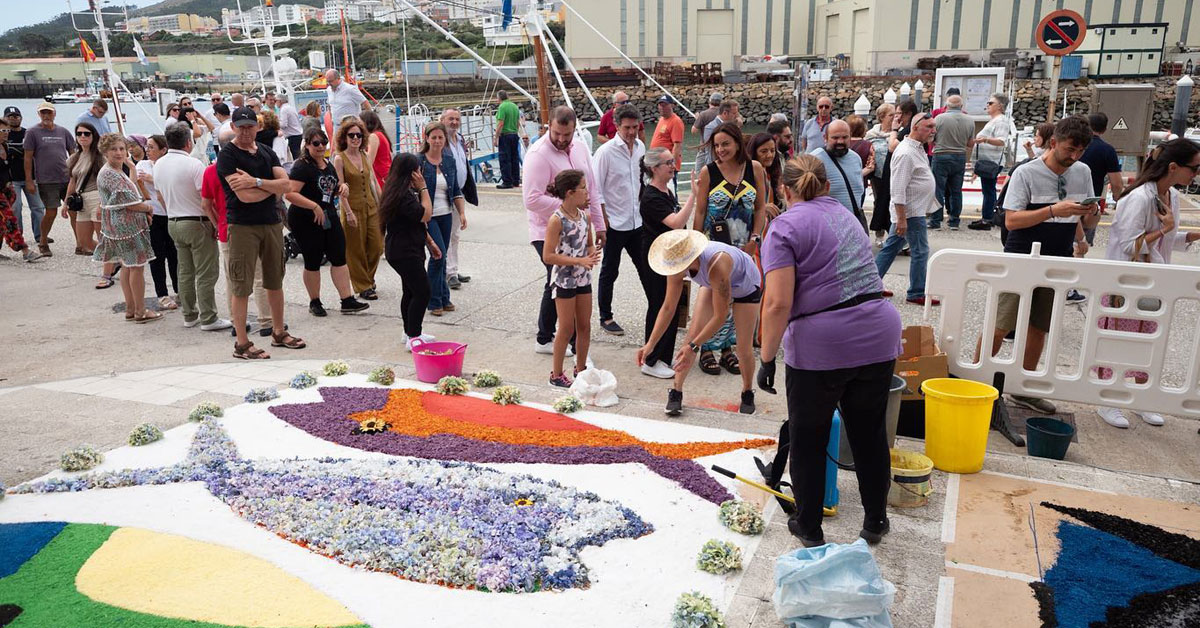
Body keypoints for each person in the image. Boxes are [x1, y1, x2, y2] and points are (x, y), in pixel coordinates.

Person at [757, 153, 902, 548]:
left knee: (809, 437)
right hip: (879, 331)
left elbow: (776, 303)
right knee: (869, 433)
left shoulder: (784, 227)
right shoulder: (845, 214)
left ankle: (809, 527)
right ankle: (875, 520)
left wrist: (767, 357)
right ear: (825, 186)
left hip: (822, 343)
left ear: (783, 190)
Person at [985, 115, 1096, 414]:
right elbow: (1011, 220)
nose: (1074, 157)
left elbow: (1081, 215)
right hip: (1022, 256)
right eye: (1070, 149)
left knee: (1039, 326)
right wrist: (1052, 210)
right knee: (1000, 323)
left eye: (1080, 151)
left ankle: (1023, 388)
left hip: (1057, 257)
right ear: (1053, 142)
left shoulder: (1082, 171)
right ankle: (976, 382)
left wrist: (1087, 221)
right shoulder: (1025, 172)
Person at [1095, 139, 1200, 428]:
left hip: (1155, 281)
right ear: (1174, 167)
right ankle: (1109, 400)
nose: (1196, 174)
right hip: (1126, 282)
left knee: (1149, 340)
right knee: (1120, 340)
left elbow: (1166, 242)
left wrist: (1190, 236)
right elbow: (1130, 246)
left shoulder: (1172, 197)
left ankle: (1139, 398)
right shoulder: (1139, 197)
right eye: (1194, 168)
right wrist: (1166, 229)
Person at [640, 230, 760, 415]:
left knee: (743, 348)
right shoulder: (677, 263)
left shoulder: (717, 264)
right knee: (691, 335)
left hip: (744, 285)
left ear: (687, 260)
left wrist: (694, 347)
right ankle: (676, 391)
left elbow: (720, 317)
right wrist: (650, 344)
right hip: (713, 283)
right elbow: (668, 307)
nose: (673, 272)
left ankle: (747, 390)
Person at [216, 106, 305, 359]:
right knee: (242, 285)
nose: (246, 131)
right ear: (233, 127)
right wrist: (270, 187)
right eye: (241, 126)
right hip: (243, 225)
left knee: (275, 279)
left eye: (250, 126)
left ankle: (278, 331)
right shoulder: (228, 156)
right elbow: (244, 197)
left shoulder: (266, 151)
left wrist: (256, 182)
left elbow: (285, 185)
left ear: (257, 127)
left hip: (271, 222)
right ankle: (242, 344)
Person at [523, 106, 608, 355]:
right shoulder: (538, 155)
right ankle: (558, 339)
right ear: (549, 125)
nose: (561, 140)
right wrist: (568, 209)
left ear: (575, 129)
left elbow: (591, 189)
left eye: (566, 135)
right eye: (557, 133)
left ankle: (546, 337)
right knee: (560, 278)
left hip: (580, 227)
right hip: (547, 229)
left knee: (560, 281)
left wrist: (599, 224)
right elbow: (531, 199)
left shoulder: (581, 147)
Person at [691, 122, 767, 376]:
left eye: (725, 144)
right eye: (716, 146)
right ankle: (705, 349)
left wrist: (755, 239)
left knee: (740, 298)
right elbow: (700, 211)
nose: (720, 150)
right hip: (715, 248)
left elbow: (760, 207)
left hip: (745, 246)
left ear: (737, 143)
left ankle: (726, 349)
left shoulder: (754, 169)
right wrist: (695, 245)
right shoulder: (708, 172)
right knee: (715, 298)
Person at [285, 127, 369, 317]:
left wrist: (342, 188)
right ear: (307, 145)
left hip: (328, 214)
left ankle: (347, 300)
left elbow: (332, 186)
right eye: (316, 143)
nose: (321, 146)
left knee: (339, 256)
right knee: (312, 259)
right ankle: (315, 301)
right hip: (306, 218)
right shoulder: (301, 166)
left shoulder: (327, 164)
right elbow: (290, 193)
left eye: (324, 142)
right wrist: (313, 206)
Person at [155, 123, 230, 331]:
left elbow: (160, 195)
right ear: (188, 142)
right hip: (196, 220)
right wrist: (215, 222)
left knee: (185, 271)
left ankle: (189, 314)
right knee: (206, 272)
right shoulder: (194, 164)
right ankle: (208, 316)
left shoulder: (158, 164)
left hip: (174, 220)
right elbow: (206, 198)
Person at [592, 104, 650, 337]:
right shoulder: (605, 153)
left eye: (635, 127)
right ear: (617, 127)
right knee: (610, 271)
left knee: (647, 267)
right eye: (627, 128)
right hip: (614, 223)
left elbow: (642, 180)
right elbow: (596, 190)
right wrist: (602, 222)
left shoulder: (640, 148)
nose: (631, 132)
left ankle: (658, 307)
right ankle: (605, 316)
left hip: (637, 221)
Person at [638, 147, 696, 379]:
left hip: (669, 254)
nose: (673, 166)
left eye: (673, 161)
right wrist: (693, 194)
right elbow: (675, 222)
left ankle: (662, 355)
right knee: (660, 304)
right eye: (667, 163)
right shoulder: (651, 196)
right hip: (655, 257)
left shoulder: (666, 190)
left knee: (671, 304)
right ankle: (651, 359)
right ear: (654, 168)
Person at [93, 133, 160, 323]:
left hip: (118, 225)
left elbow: (131, 189)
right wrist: (148, 208)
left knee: (127, 266)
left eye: (122, 148)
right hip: (126, 226)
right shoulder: (109, 174)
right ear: (105, 151)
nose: (119, 152)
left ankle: (131, 308)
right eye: (114, 149)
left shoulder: (114, 170)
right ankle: (140, 311)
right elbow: (130, 202)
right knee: (136, 267)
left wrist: (131, 166)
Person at [542, 169, 599, 387]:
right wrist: (579, 261)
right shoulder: (557, 220)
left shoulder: (585, 216)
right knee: (566, 328)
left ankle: (581, 368)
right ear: (569, 192)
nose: (587, 192)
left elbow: (589, 243)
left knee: (585, 325)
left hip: (583, 278)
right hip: (565, 279)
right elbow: (548, 255)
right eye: (583, 188)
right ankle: (556, 374)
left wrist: (592, 254)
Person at [875, 112, 939, 306]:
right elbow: (898, 189)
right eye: (929, 127)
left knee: (891, 248)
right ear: (915, 127)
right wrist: (901, 218)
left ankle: (869, 286)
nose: (933, 131)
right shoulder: (905, 153)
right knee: (920, 251)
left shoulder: (916, 148)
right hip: (911, 212)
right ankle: (916, 291)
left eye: (934, 127)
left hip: (913, 210)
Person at [380, 153, 441, 350]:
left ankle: (410, 331)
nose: (420, 173)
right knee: (423, 292)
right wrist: (423, 187)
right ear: (412, 173)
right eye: (418, 170)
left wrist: (430, 242)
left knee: (410, 291)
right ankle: (413, 336)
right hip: (404, 251)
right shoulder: (402, 196)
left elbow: (416, 223)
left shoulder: (401, 192)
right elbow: (426, 215)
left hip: (406, 248)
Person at [415, 121, 464, 316]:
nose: (436, 141)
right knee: (438, 255)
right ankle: (433, 300)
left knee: (442, 258)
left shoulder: (448, 161)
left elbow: (456, 190)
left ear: (445, 140)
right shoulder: (419, 161)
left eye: (440, 138)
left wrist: (461, 213)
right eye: (433, 137)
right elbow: (412, 190)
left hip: (446, 214)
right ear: (427, 139)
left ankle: (444, 297)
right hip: (428, 216)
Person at [333, 116, 384, 302]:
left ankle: (368, 278)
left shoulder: (364, 155)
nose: (355, 138)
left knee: (377, 246)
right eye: (351, 135)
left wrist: (382, 204)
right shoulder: (340, 159)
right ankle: (363, 285)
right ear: (344, 138)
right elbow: (340, 188)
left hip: (371, 206)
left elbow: (372, 182)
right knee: (356, 249)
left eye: (359, 135)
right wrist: (347, 211)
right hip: (352, 208)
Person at [62, 122, 109, 283]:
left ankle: (106, 273)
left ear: (93, 135)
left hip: (97, 197)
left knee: (101, 237)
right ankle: (113, 257)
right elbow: (72, 181)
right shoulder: (75, 157)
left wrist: (104, 202)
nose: (83, 136)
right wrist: (66, 203)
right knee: (84, 241)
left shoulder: (100, 156)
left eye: (86, 133)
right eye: (79, 133)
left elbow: (107, 180)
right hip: (81, 200)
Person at [26, 102, 75, 257]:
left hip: (66, 178)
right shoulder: (32, 132)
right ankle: (43, 242)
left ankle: (81, 243)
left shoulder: (63, 131)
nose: (46, 116)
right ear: (39, 114)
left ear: (54, 114)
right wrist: (29, 180)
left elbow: (73, 153)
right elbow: (27, 157)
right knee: (51, 211)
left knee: (74, 210)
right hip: (46, 180)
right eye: (43, 113)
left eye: (49, 113)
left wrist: (75, 174)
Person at [135, 134, 178, 311]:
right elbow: (139, 184)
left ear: (163, 150)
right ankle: (162, 293)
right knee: (157, 256)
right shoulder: (142, 165)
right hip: (153, 214)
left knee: (175, 255)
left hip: (172, 212)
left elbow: (172, 184)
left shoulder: (170, 165)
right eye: (147, 146)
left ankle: (179, 289)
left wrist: (153, 179)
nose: (148, 150)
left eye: (152, 147)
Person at [440, 108, 476, 289]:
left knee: (455, 234)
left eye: (456, 119)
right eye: (450, 119)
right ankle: (448, 272)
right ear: (442, 120)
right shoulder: (440, 140)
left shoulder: (459, 139)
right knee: (447, 234)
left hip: (459, 191)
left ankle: (453, 268)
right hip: (445, 193)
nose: (454, 122)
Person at [1077, 112, 1125, 249]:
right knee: (1082, 246)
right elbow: (1116, 183)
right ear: (1104, 129)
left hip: (1066, 201)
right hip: (1090, 205)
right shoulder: (1107, 150)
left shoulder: (1076, 145)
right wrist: (1117, 199)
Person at [965, 93, 1011, 230]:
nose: (987, 105)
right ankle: (987, 217)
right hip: (988, 160)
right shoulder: (995, 120)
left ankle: (988, 219)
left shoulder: (1001, 121)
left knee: (989, 190)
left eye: (991, 103)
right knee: (988, 189)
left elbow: (1002, 141)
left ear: (1000, 106)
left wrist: (985, 139)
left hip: (992, 161)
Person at [0, 117, 43, 262]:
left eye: (7, 130)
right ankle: (25, 250)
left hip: (7, 189)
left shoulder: (5, 146)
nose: (6, 133)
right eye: (2, 130)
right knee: (10, 219)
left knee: (2, 221)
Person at [811, 120, 868, 229]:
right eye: (835, 138)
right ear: (825, 138)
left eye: (845, 137)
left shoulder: (856, 158)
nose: (840, 141)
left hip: (854, 224)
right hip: (829, 228)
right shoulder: (815, 159)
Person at [930, 95, 974, 230]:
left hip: (941, 155)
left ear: (947, 106)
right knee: (956, 190)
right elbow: (970, 143)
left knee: (938, 189)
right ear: (961, 106)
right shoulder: (969, 120)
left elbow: (932, 139)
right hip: (959, 156)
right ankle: (954, 221)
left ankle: (936, 221)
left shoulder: (939, 119)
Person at [865, 103, 896, 246]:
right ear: (882, 117)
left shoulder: (897, 134)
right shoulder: (871, 135)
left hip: (894, 174)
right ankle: (879, 234)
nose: (894, 117)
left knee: (894, 203)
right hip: (878, 176)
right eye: (891, 115)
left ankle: (895, 234)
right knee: (880, 203)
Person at [693, 99, 741, 172]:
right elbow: (710, 152)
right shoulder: (711, 127)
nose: (737, 116)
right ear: (725, 113)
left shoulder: (732, 125)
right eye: (734, 113)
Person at [650, 95, 685, 184]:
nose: (662, 107)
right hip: (658, 164)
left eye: (665, 105)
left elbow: (677, 146)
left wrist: (671, 165)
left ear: (672, 105)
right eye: (660, 105)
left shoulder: (675, 121)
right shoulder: (662, 119)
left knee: (670, 191)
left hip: (667, 166)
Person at [493, 90, 522, 189]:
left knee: (505, 159)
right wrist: (516, 132)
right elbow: (518, 122)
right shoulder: (514, 106)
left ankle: (507, 181)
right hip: (514, 134)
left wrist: (496, 137)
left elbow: (501, 123)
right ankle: (516, 180)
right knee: (515, 158)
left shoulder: (502, 107)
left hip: (505, 135)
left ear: (499, 98)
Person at [362, 110, 393, 187]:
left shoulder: (373, 136)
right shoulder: (381, 134)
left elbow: (369, 160)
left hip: (380, 176)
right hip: (387, 173)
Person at [277, 92, 303, 161]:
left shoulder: (284, 109)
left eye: (276, 101)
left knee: (296, 156)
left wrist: (275, 123)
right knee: (298, 154)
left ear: (280, 101)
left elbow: (283, 124)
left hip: (292, 135)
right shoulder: (291, 107)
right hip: (297, 133)